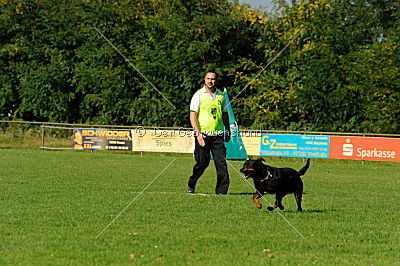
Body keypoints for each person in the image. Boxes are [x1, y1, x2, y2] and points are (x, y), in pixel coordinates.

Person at [187, 71, 230, 195]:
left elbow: (225, 114)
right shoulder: (198, 95)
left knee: (221, 164)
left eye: (213, 79)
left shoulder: (222, 96)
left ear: (216, 80)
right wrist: (198, 134)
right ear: (204, 79)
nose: (211, 81)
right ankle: (192, 183)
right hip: (203, 135)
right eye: (208, 79)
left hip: (217, 136)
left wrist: (227, 130)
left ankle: (221, 192)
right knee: (202, 163)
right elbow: (192, 115)